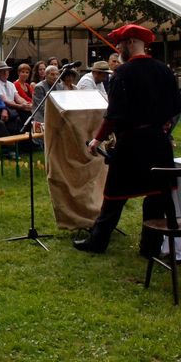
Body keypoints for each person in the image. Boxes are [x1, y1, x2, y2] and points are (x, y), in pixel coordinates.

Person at [74, 25, 181, 255]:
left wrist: (96, 140)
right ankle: (149, 248)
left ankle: (98, 242)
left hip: (132, 144)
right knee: (156, 196)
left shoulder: (123, 73)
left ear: (131, 42)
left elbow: (114, 114)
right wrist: (165, 130)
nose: (118, 48)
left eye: (120, 44)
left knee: (114, 195)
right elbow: (175, 109)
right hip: (158, 143)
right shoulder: (164, 70)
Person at [0, 61, 32, 125]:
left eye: (7, 70)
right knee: (21, 115)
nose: (5, 72)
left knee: (28, 113)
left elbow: (18, 97)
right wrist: (20, 106)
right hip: (3, 109)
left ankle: (29, 132)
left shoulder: (10, 84)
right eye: (3, 71)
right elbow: (5, 101)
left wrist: (26, 104)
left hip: (14, 107)